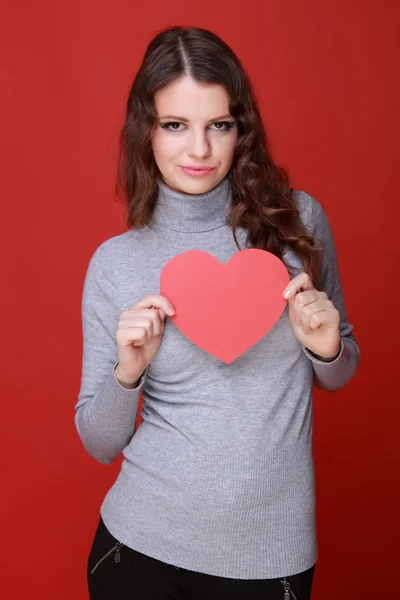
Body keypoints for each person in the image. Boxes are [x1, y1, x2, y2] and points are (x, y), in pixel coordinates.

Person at [75, 26, 360, 600]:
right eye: (176, 125)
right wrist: (127, 371)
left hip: (271, 554)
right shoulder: (117, 263)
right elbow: (99, 441)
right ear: (146, 131)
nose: (200, 150)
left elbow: (340, 369)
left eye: (219, 125)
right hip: (138, 549)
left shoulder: (297, 223)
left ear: (241, 129)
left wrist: (326, 346)